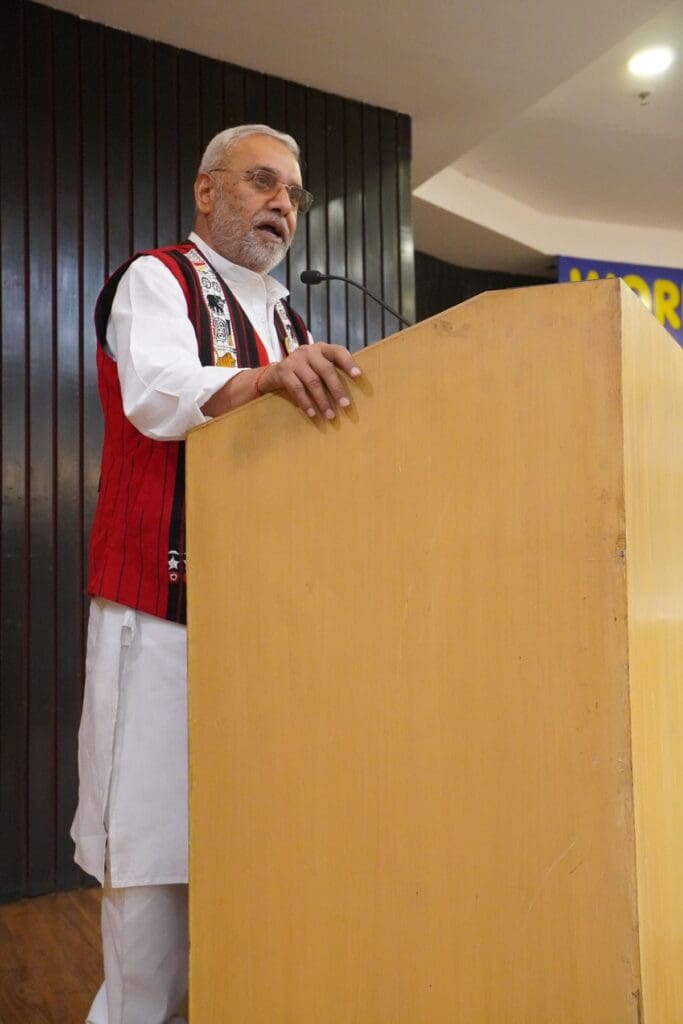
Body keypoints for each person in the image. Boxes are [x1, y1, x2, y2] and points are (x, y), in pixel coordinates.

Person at [71, 123, 362, 1024]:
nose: (282, 205)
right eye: (262, 183)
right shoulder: (156, 278)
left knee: (244, 862)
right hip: (160, 613)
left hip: (265, 625)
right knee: (153, 877)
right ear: (207, 193)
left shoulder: (291, 316)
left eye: (294, 195)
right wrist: (263, 383)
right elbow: (156, 390)